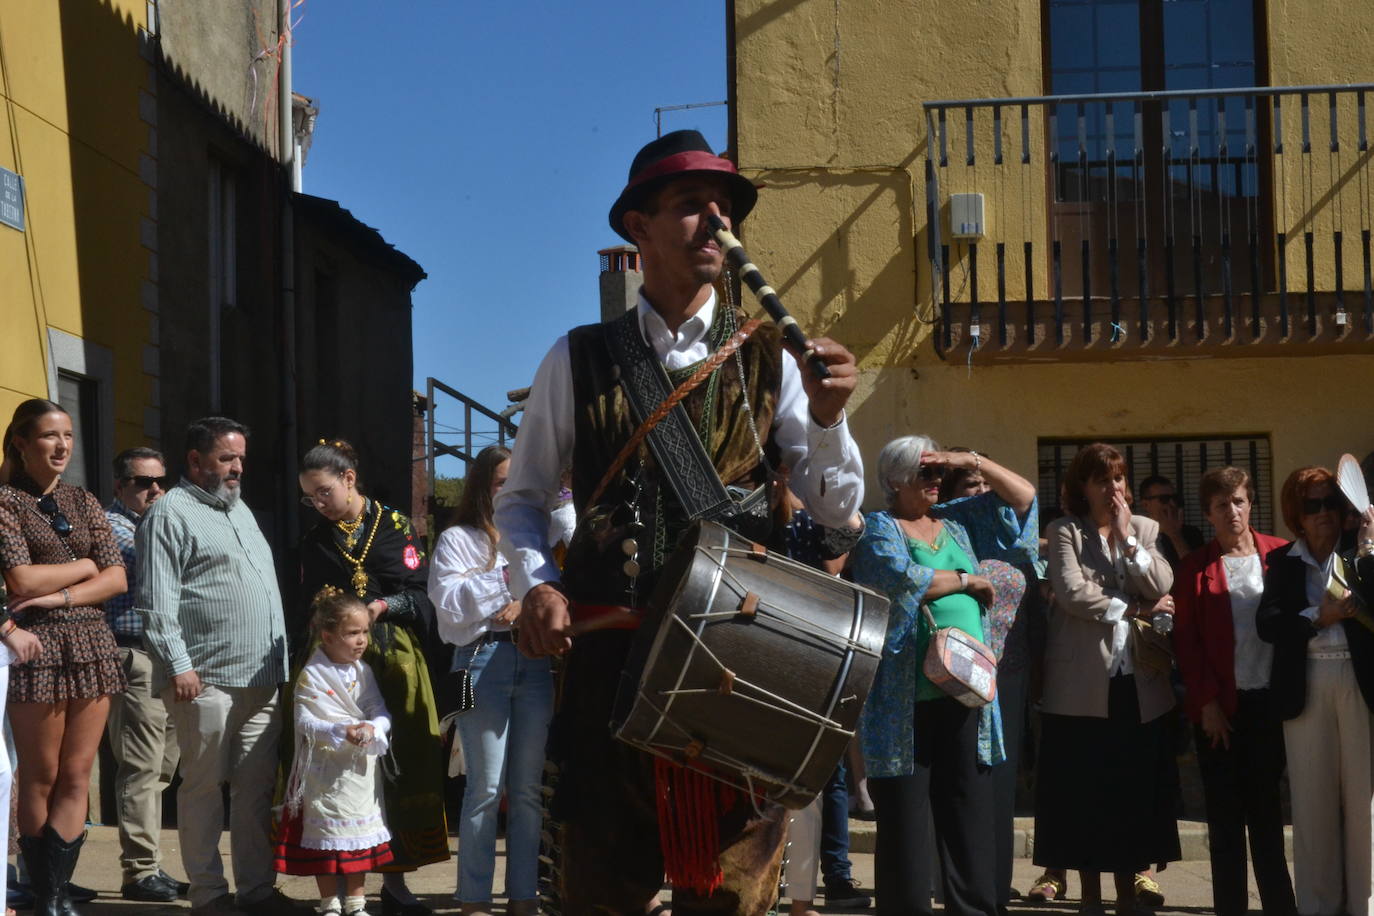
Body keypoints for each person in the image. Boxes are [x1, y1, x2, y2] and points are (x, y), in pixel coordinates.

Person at [493, 128, 864, 915]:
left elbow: (839, 511)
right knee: (598, 889)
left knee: (731, 896)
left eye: (724, 207)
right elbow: (521, 500)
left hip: (735, 662)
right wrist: (537, 585)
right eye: (692, 206)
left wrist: (829, 422)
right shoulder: (579, 356)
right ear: (639, 229)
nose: (716, 223)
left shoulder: (770, 358)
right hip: (607, 672)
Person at [851, 437, 1037, 916]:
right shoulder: (879, 528)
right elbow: (904, 580)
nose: (935, 482)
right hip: (906, 704)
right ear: (895, 482)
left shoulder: (957, 522)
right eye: (923, 474)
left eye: (937, 474)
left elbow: (1023, 498)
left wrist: (968, 461)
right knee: (907, 826)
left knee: (969, 817)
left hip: (967, 691)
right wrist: (968, 581)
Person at [136, 417, 299, 916]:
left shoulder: (240, 509)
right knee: (204, 789)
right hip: (205, 681)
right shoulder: (171, 514)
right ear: (195, 460)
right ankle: (208, 895)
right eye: (228, 458)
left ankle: (256, 889)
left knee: (254, 791)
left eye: (241, 458)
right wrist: (179, 666)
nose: (238, 467)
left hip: (262, 679)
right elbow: (155, 603)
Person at [296, 439, 446, 916]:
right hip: (331, 668)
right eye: (310, 497)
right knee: (338, 775)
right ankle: (339, 888)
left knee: (398, 771)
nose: (318, 504)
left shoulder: (396, 527)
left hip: (394, 663)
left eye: (323, 493)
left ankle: (396, 883)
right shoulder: (315, 541)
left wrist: (380, 607)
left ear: (348, 480)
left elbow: (422, 593)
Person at [1034, 443, 1179, 916]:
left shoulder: (1144, 528)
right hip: (1080, 689)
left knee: (1129, 793)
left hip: (1135, 685)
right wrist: (1135, 608)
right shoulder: (1064, 531)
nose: (1112, 488)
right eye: (1101, 480)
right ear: (1082, 488)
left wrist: (1128, 540)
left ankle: (1126, 893)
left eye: (1117, 478)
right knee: (1084, 795)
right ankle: (1089, 896)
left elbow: (1162, 584)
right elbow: (1074, 594)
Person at [0, 399, 126, 916]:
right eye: (50, 436)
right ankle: (40, 886)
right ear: (22, 444)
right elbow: (20, 580)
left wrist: (59, 593)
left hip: (91, 643)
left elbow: (116, 578)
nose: (62, 446)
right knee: (40, 774)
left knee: (77, 775)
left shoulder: (85, 500)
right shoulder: (5, 502)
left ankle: (55, 895)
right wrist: (85, 565)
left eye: (69, 436)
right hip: (36, 648)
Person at [429, 445, 552, 916]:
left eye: (516, 480)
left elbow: (556, 582)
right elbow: (451, 607)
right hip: (482, 660)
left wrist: (526, 599)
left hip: (533, 660)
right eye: (502, 481)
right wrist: (516, 583)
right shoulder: (459, 538)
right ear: (482, 485)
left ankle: (524, 895)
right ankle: (475, 899)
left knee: (525, 789)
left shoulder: (534, 534)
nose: (510, 489)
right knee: (485, 787)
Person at [1172, 467, 1295, 916]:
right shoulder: (1194, 568)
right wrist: (1205, 703)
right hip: (1220, 707)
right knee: (1225, 825)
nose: (1232, 511)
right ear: (1208, 513)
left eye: (1239, 501)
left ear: (1251, 504)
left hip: (1270, 705)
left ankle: (1282, 907)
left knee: (1267, 820)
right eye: (1222, 505)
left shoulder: (1281, 555)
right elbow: (1186, 642)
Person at [1256, 466, 1372, 916]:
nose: (1324, 513)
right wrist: (1317, 617)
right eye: (1313, 505)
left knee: (1364, 803)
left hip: (1359, 683)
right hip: (1304, 684)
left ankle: (1366, 907)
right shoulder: (1282, 562)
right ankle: (1318, 907)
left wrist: (1369, 547)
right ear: (1296, 515)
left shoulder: (1359, 554)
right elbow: (1268, 625)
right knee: (1312, 805)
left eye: (1330, 503)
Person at [103, 446, 189, 903]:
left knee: (160, 770)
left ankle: (149, 865)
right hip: (134, 656)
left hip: (168, 660)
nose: (154, 489)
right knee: (140, 768)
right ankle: (138, 872)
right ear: (120, 487)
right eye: (142, 482)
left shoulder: (155, 525)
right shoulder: (115, 528)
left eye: (160, 481)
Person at [274, 588, 393, 916]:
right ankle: (329, 902)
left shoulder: (363, 672)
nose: (361, 640)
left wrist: (373, 727)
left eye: (365, 632)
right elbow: (304, 721)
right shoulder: (312, 675)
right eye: (352, 633)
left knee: (357, 837)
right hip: (324, 771)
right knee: (326, 839)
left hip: (357, 771)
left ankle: (356, 902)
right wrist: (343, 730)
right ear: (327, 636)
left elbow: (378, 708)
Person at [1137, 475, 1204, 572]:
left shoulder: (1192, 534)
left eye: (1174, 498)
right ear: (1145, 504)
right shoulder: (1137, 536)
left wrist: (1175, 535)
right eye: (1164, 499)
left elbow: (1196, 571)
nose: (1172, 504)